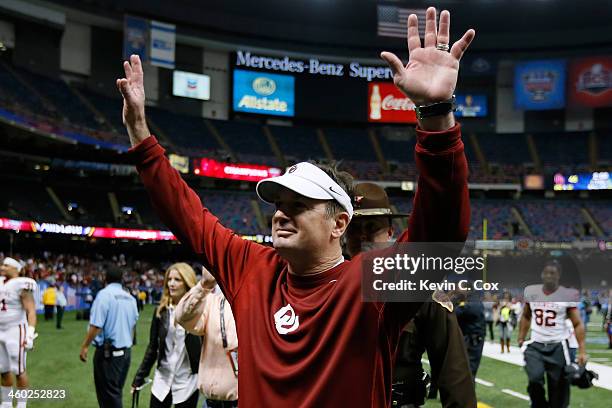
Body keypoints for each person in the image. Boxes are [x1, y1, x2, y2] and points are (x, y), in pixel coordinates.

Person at [118, 7, 474, 406]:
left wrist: (436, 116)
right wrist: (141, 138)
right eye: (278, 203)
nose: (281, 213)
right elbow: (188, 218)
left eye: (299, 204)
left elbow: (440, 232)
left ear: (339, 223)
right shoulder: (252, 270)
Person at [345, 182, 475, 407]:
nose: (362, 236)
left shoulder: (420, 290)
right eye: (354, 228)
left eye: (371, 227)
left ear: (389, 232)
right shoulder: (326, 284)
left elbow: (452, 372)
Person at [517, 259, 586, 408]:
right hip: (536, 344)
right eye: (546, 272)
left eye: (553, 273)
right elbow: (526, 315)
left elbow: (577, 323)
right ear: (542, 274)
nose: (549, 276)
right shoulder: (531, 292)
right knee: (534, 378)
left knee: (558, 389)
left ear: (558, 275)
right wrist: (521, 336)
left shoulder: (567, 294)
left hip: (558, 346)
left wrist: (582, 350)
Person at [132, 263, 201, 408]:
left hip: (188, 382)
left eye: (177, 279)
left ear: (187, 283)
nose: (171, 283)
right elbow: (152, 347)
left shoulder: (199, 312)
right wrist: (138, 378)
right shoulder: (161, 311)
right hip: (162, 380)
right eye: (169, 279)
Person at [175, 266, 238, 408]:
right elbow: (182, 318)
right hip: (212, 403)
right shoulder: (213, 301)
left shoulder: (261, 300)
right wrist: (204, 285)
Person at [79, 266, 139, 408]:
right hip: (125, 353)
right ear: (121, 280)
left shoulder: (104, 295)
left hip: (108, 353)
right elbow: (134, 322)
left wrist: (85, 346)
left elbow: (96, 325)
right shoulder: (130, 297)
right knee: (115, 392)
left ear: (105, 279)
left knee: (109, 398)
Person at [0, 257, 38, 408]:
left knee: (19, 369)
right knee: (3, 369)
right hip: (0, 330)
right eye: (2, 264)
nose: (2, 267)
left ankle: (21, 405)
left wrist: (30, 333)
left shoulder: (22, 284)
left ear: (16, 269)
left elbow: (31, 310)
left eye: (6, 265)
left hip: (15, 329)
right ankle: (7, 403)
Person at [454, 291, 486, 380]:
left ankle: (467, 393)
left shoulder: (472, 302)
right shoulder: (471, 301)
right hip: (471, 339)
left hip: (473, 341)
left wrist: (455, 301)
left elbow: (456, 313)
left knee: (469, 371)